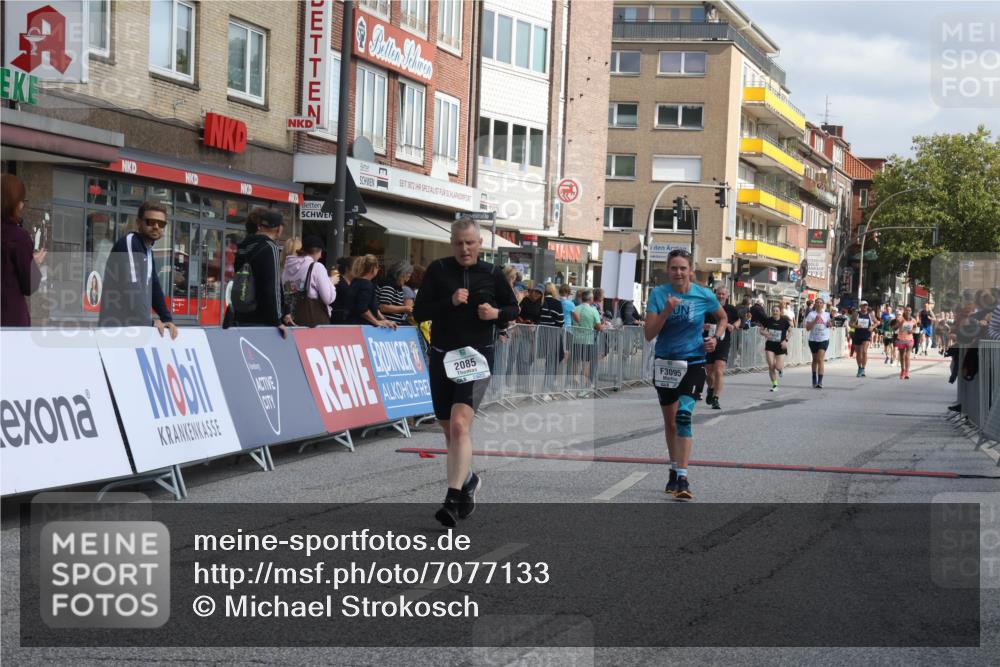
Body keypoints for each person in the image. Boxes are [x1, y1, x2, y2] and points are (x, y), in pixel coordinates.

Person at [412, 219, 519, 527]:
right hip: (443, 356)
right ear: (452, 243)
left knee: (460, 424)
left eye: (470, 243)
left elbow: (513, 309)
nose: (464, 248)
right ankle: (469, 479)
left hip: (476, 358)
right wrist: (449, 301)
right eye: (459, 243)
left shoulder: (492, 273)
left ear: (480, 244)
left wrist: (496, 314)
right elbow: (419, 312)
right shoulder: (438, 270)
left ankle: (452, 498)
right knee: (449, 430)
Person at [644, 249, 726, 501]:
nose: (678, 273)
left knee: (683, 416)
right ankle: (673, 468)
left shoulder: (703, 294)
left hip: (693, 361)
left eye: (683, 268)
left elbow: (722, 317)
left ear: (691, 270)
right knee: (670, 423)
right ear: (667, 270)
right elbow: (649, 334)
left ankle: (683, 477)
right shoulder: (659, 295)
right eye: (674, 268)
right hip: (666, 362)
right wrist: (666, 311)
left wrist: (715, 338)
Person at [99, 200, 177, 339]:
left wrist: (167, 319)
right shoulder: (130, 243)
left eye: (161, 224)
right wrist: (150, 321)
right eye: (150, 222)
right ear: (138, 223)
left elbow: (154, 287)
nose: (156, 226)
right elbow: (132, 287)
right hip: (117, 330)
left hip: (134, 329)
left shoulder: (147, 250)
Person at [227, 209, 293, 334]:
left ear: (260, 226)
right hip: (262, 318)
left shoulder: (243, 246)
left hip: (241, 313)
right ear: (279, 229)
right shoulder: (270, 247)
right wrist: (277, 320)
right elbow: (272, 286)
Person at [1, 174, 45, 326]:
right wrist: (35, 263)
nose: (22, 205)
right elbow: (29, 286)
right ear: (15, 203)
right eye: (21, 200)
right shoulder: (18, 237)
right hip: (10, 322)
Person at [281, 235, 337, 327]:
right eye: (321, 252)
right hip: (312, 321)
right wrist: (331, 283)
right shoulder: (317, 267)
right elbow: (328, 298)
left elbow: (289, 289)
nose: (321, 256)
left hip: (293, 320)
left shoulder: (286, 269)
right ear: (318, 251)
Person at [704, 286, 741, 410]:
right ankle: (711, 388)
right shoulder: (708, 308)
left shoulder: (731, 309)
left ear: (727, 296)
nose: (720, 296)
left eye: (723, 294)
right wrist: (705, 326)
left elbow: (738, 321)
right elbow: (698, 322)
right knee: (709, 372)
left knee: (719, 370)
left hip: (723, 343)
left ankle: (716, 398)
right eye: (719, 294)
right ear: (715, 294)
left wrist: (733, 326)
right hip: (708, 342)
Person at [345, 254, 396, 328]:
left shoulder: (355, 282)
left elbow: (374, 308)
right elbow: (362, 309)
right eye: (377, 267)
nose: (378, 270)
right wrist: (377, 322)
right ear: (373, 268)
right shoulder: (366, 285)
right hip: (362, 326)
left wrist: (384, 320)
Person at [572, 289, 605, 392]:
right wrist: (604, 325)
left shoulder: (575, 308)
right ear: (590, 299)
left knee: (576, 361)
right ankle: (585, 385)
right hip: (588, 340)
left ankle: (574, 380)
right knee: (587, 363)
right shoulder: (593, 311)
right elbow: (599, 327)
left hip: (576, 339)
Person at [760, 304, 792, 391]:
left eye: (777, 311)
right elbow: (761, 330)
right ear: (771, 312)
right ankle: (775, 385)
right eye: (773, 311)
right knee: (771, 365)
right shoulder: (768, 320)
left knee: (778, 367)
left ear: (780, 312)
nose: (775, 312)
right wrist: (764, 333)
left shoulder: (784, 321)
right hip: (770, 345)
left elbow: (790, 331)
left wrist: (785, 340)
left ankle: (780, 370)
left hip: (780, 346)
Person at [804, 298, 831, 388]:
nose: (819, 304)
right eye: (817, 302)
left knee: (820, 359)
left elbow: (830, 324)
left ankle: (820, 381)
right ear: (815, 304)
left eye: (821, 303)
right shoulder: (811, 314)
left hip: (824, 339)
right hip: (813, 339)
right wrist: (815, 321)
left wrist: (830, 324)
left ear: (823, 305)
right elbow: (807, 328)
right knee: (815, 360)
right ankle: (814, 377)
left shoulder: (827, 314)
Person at [378, 260, 414, 326]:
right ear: (400, 274)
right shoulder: (389, 286)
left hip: (392, 326)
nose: (407, 280)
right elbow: (383, 307)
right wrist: (405, 308)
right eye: (407, 276)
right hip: (386, 326)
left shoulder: (398, 287)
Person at [851, 300, 876, 377]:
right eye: (863, 305)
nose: (865, 307)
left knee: (864, 351)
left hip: (866, 334)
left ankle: (863, 368)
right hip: (858, 334)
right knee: (858, 353)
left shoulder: (870, 314)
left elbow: (877, 322)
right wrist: (856, 326)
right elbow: (850, 323)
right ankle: (859, 367)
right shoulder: (856, 314)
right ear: (860, 306)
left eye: (866, 305)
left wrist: (872, 327)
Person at [895, 305, 918, 380]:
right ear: (904, 311)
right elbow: (896, 327)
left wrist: (912, 331)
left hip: (909, 340)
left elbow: (915, 327)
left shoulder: (913, 320)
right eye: (907, 310)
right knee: (902, 356)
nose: (908, 312)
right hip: (901, 340)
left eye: (909, 310)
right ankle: (902, 370)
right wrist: (900, 323)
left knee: (907, 356)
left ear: (911, 312)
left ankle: (907, 372)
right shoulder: (900, 319)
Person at [329, 256, 354, 324]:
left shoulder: (351, 282)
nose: (358, 271)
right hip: (337, 319)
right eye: (356, 268)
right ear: (347, 269)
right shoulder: (338, 281)